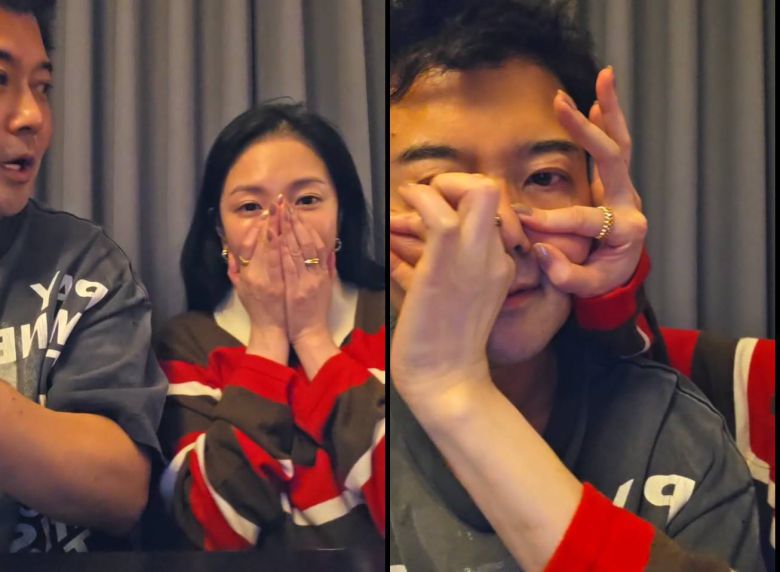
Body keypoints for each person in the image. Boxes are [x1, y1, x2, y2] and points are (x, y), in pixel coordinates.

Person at [388, 0, 764, 570]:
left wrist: (453, 388)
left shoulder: (674, 437)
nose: (506, 230)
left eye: (544, 177)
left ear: (595, 198)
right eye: (441, 187)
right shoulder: (346, 423)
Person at [152, 102, 386, 552]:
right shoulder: (187, 345)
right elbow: (211, 531)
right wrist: (268, 337)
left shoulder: (392, 315)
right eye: (250, 207)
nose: (280, 225)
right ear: (220, 232)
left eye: (307, 200)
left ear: (341, 214)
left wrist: (312, 337)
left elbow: (404, 506)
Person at [0, 0, 167, 553]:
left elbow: (120, 490)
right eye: (0, 81)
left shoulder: (85, 266)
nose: (31, 115)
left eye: (42, 86)